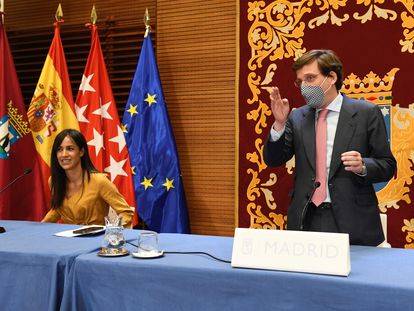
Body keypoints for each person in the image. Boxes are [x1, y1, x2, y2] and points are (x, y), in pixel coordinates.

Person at [263, 49, 396, 246]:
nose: (304, 87)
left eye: (310, 78)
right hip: (306, 218)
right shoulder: (297, 116)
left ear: (331, 77)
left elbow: (388, 165)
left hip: (353, 219)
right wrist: (280, 124)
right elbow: (273, 160)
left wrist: (363, 166)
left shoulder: (366, 112)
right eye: (300, 82)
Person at [42, 129, 134, 228]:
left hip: (95, 240)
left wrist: (112, 233)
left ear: (81, 152)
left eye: (70, 149)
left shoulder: (100, 181)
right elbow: (58, 209)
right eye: (59, 149)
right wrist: (38, 227)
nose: (64, 154)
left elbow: (126, 213)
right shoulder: (54, 181)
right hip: (67, 239)